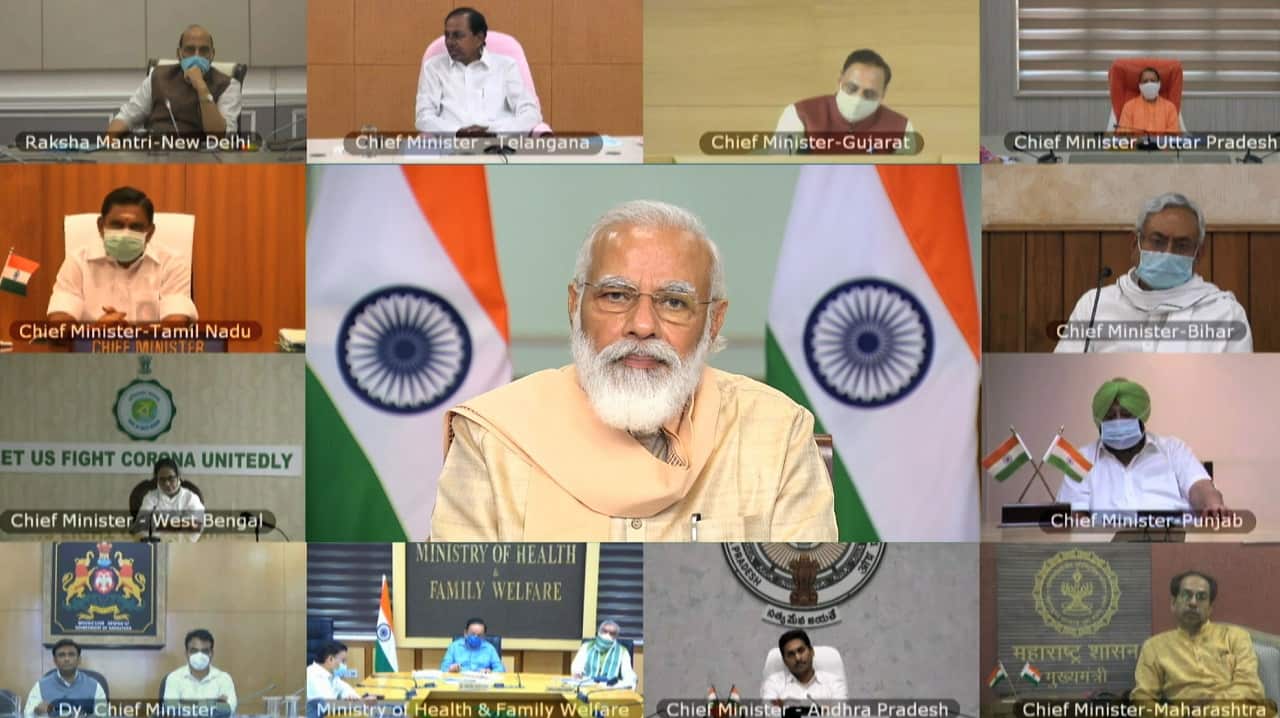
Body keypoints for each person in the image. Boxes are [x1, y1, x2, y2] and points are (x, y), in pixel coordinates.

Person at [432, 200, 837, 541]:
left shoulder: (777, 434)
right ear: (575, 306)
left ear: (714, 323)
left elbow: (797, 606)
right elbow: (460, 606)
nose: (642, 325)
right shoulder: (493, 438)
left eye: (674, 302)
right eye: (615, 295)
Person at [1055, 193, 1251, 353]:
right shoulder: (1095, 305)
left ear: (1198, 254)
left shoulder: (1225, 314)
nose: (1168, 253)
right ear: (1135, 244)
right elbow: (1066, 378)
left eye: (1182, 245)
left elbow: (1236, 392)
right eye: (1158, 241)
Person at [1056, 378, 1228, 517]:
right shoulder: (1080, 459)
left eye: (1126, 415)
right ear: (1099, 422)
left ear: (1141, 417)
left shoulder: (1173, 449)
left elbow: (1201, 488)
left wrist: (1212, 504)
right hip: (1110, 549)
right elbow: (1075, 516)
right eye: (1109, 416)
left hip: (1172, 542)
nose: (1118, 422)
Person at [46, 186, 197, 326]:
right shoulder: (77, 261)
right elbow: (58, 323)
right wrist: (95, 331)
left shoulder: (172, 263)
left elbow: (176, 325)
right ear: (101, 226)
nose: (125, 233)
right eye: (117, 225)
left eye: (135, 227)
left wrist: (131, 334)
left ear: (150, 232)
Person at [1131, 571, 1264, 704]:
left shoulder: (1235, 637)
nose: (1193, 603)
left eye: (1201, 597)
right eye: (1186, 595)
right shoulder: (1154, 647)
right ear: (1173, 603)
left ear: (1210, 608)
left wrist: (1213, 703)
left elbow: (1251, 689)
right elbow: (1141, 700)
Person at [414, 7, 542, 136]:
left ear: (479, 38)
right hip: (451, 147)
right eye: (447, 35)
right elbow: (424, 116)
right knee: (411, 152)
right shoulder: (434, 67)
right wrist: (457, 132)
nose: (449, 42)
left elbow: (530, 113)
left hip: (498, 147)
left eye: (458, 36)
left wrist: (495, 131)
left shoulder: (506, 66)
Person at [107, 25, 241, 137]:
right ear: (179, 54)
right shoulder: (158, 76)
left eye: (203, 50)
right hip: (155, 153)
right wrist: (109, 142)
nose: (196, 56)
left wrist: (201, 87)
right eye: (190, 50)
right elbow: (126, 116)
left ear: (212, 55)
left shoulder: (228, 85)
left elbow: (221, 137)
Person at [774, 49, 915, 150]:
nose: (858, 99)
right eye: (851, 88)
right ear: (840, 80)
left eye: (869, 94)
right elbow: (778, 171)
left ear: (883, 93)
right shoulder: (801, 114)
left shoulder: (901, 129)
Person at [761, 629, 847, 704]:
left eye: (801, 651)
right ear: (785, 661)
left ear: (812, 652)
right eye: (791, 654)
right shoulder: (773, 683)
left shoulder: (834, 683)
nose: (797, 658)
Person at [24, 640, 106, 717]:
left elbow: (103, 715)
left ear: (79, 660)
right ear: (55, 661)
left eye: (71, 654)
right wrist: (36, 711)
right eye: (61, 655)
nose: (67, 659)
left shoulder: (95, 687)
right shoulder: (40, 686)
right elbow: (27, 714)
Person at [161, 629, 237, 713]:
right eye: (194, 651)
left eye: (204, 651)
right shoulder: (174, 678)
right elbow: (172, 710)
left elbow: (228, 710)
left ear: (211, 653)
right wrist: (213, 706)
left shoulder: (224, 679)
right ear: (186, 653)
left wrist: (185, 707)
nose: (199, 655)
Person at [135, 458, 206, 542]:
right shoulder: (150, 498)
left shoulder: (190, 498)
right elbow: (142, 525)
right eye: (162, 480)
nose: (167, 483)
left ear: (178, 477)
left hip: (184, 546)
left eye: (171, 478)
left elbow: (195, 528)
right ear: (156, 479)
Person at [570, 620, 637, 689]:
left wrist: (630, 680)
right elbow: (577, 666)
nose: (607, 635)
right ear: (599, 632)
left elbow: (627, 672)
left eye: (612, 633)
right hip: (587, 686)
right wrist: (577, 673)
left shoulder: (622, 651)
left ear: (616, 636)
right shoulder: (587, 646)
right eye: (605, 631)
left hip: (611, 689)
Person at [1116, 67, 1180, 135]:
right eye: (1145, 81)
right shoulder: (1129, 107)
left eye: (1153, 81)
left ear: (1159, 84)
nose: (1149, 84)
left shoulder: (1170, 107)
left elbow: (1173, 135)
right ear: (1140, 85)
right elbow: (1124, 135)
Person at [306, 640, 376, 702]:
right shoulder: (313, 675)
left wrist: (353, 697)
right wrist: (361, 703)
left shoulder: (330, 674)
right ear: (330, 659)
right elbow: (329, 706)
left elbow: (345, 689)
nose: (345, 665)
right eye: (343, 661)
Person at [440, 618, 504, 673]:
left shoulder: (489, 648)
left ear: (484, 636)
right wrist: (451, 669)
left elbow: (501, 669)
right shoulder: (454, 647)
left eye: (479, 635)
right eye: (472, 634)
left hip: (482, 683)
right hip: (459, 683)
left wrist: (489, 672)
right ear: (465, 633)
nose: (475, 637)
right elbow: (443, 668)